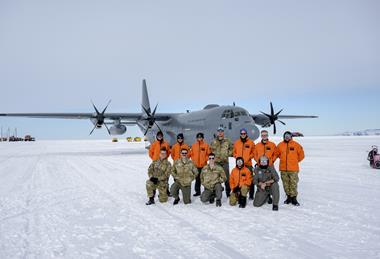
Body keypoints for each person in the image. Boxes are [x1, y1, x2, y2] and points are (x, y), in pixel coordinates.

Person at [275, 131, 305, 206]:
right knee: (285, 183)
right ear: (284, 137)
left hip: (293, 168)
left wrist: (295, 161)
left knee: (293, 183)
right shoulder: (280, 145)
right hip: (283, 168)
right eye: (285, 136)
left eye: (288, 135)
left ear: (291, 137)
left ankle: (294, 198)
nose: (287, 137)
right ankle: (288, 197)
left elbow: (301, 155)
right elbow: (277, 154)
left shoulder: (296, 145)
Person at [210, 126, 233, 197]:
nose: (220, 133)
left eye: (221, 131)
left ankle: (228, 193)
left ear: (223, 132)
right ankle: (215, 192)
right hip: (216, 163)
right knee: (215, 178)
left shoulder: (227, 141)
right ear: (217, 132)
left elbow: (232, 149)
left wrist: (227, 154)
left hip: (225, 162)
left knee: (226, 178)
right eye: (219, 131)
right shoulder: (213, 142)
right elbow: (210, 151)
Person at [233, 128, 255, 199]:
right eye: (242, 133)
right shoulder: (236, 142)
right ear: (240, 134)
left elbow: (253, 152)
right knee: (240, 179)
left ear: (246, 134)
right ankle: (240, 193)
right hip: (239, 164)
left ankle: (251, 195)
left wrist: (249, 157)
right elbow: (234, 152)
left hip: (248, 164)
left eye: (244, 133)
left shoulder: (251, 142)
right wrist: (237, 157)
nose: (243, 135)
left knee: (250, 180)